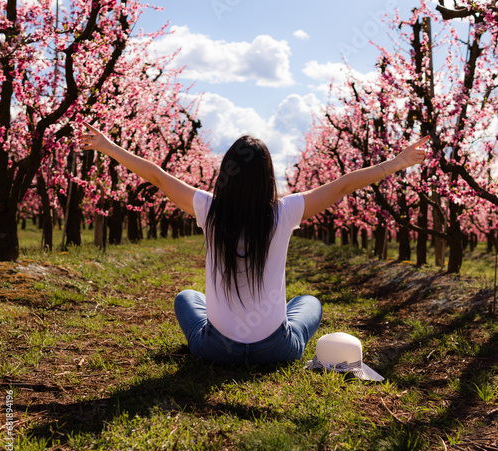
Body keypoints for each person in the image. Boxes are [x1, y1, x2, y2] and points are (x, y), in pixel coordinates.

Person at [81, 123, 428, 366]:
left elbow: (156, 175)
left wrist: (107, 146)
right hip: (276, 350)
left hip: (215, 350)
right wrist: (398, 162)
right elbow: (342, 186)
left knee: (186, 297)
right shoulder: (286, 211)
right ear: (268, 176)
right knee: (308, 302)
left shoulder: (209, 208)